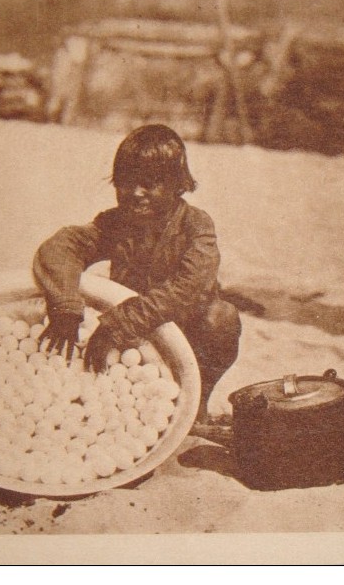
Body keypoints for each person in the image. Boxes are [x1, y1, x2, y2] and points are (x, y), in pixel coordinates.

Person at [33, 124, 241, 422]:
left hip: (178, 335)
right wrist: (65, 306)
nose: (135, 193)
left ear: (177, 185)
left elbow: (188, 290)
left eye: (149, 183)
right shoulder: (117, 223)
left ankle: (197, 404)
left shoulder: (195, 226)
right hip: (126, 342)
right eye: (125, 183)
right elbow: (63, 246)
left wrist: (119, 323)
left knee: (221, 319)